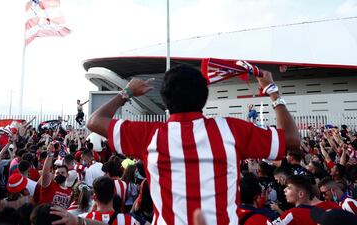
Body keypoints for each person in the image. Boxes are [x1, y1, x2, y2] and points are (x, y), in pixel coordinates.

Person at [87, 64, 300, 225]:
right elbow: (291, 139)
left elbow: (94, 121)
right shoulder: (231, 130)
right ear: (203, 97)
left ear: (165, 98)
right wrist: (272, 90)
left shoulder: (149, 135)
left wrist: (127, 92)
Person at [39, 144, 72, 209]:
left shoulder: (70, 192)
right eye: (57, 173)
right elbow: (45, 172)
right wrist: (50, 154)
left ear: (67, 175)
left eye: (62, 173)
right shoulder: (48, 185)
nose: (60, 174)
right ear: (54, 174)